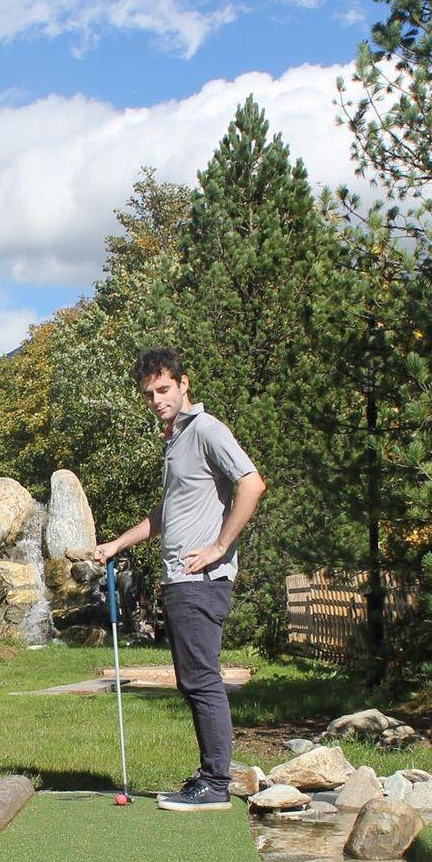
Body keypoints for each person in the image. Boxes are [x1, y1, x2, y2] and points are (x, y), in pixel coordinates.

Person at [92, 347, 266, 811]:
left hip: (200, 581)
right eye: (149, 394)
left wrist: (219, 547)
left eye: (164, 389)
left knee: (201, 680)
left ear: (184, 384)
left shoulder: (206, 430)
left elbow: (252, 483)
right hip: (179, 580)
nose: (157, 400)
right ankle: (210, 778)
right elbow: (165, 514)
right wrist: (118, 544)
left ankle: (215, 784)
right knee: (193, 680)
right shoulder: (176, 440)